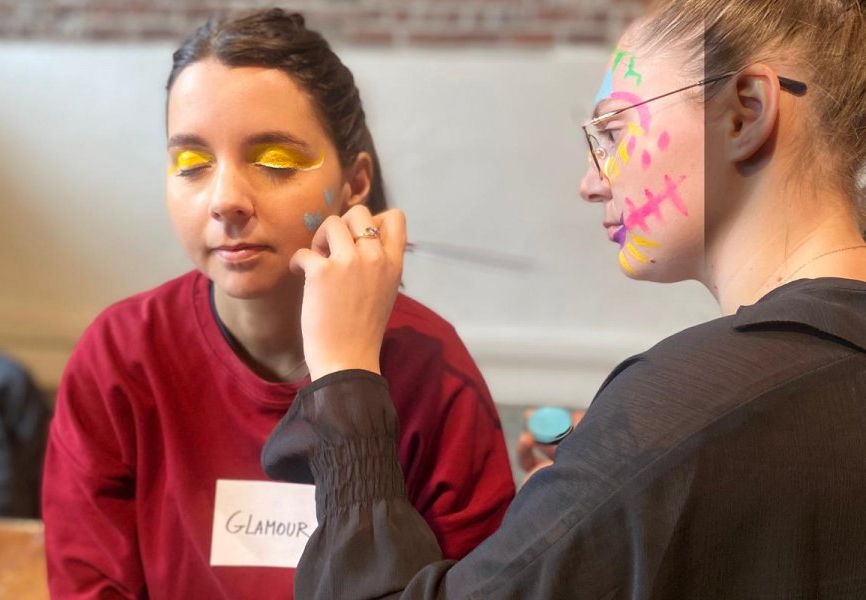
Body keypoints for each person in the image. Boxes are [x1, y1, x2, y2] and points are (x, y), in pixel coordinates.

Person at [261, 0, 866, 597]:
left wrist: (343, 374)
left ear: (745, 113)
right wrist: (601, 493)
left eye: (612, 131)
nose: (590, 182)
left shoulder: (686, 406)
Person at [42, 8, 515, 599]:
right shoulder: (120, 356)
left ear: (356, 182)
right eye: (191, 163)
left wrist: (349, 383)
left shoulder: (431, 367)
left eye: (274, 162)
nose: (226, 200)